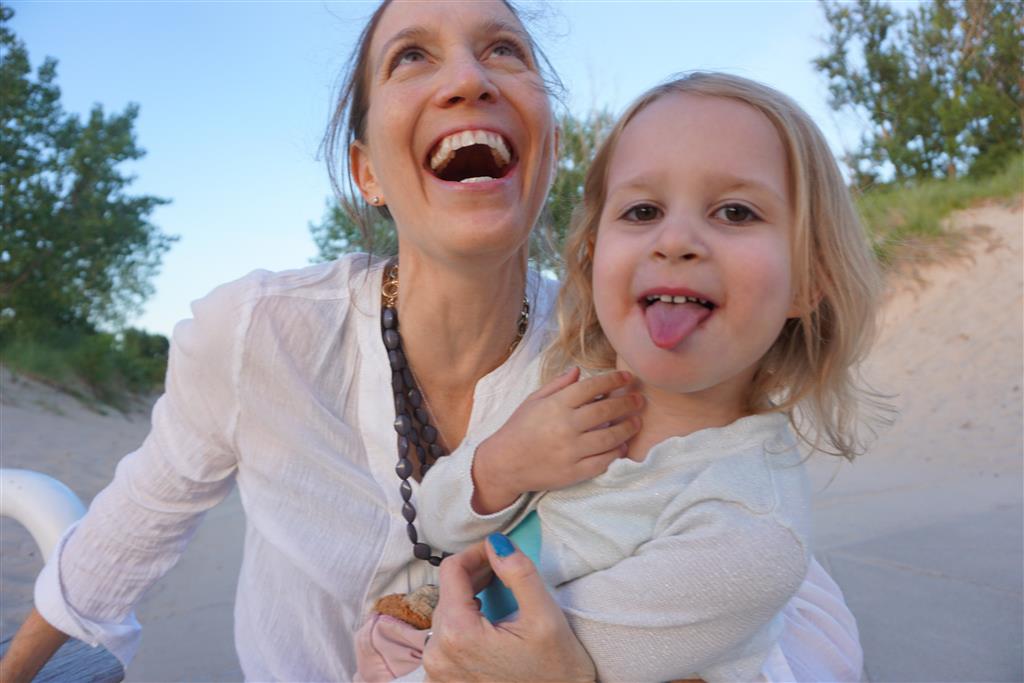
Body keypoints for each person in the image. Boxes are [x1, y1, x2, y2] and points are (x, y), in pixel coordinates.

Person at [0, 3, 863, 682]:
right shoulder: (260, 331)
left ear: (547, 150)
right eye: (411, 56)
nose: (467, 79)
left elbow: (784, 596)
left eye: (504, 50)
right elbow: (118, 547)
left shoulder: (619, 352)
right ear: (367, 170)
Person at [354, 72, 883, 682]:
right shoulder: (564, 388)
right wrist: (500, 468)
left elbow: (531, 666)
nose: (675, 241)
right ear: (591, 256)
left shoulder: (749, 530)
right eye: (642, 210)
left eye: (736, 212)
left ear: (809, 279)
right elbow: (439, 521)